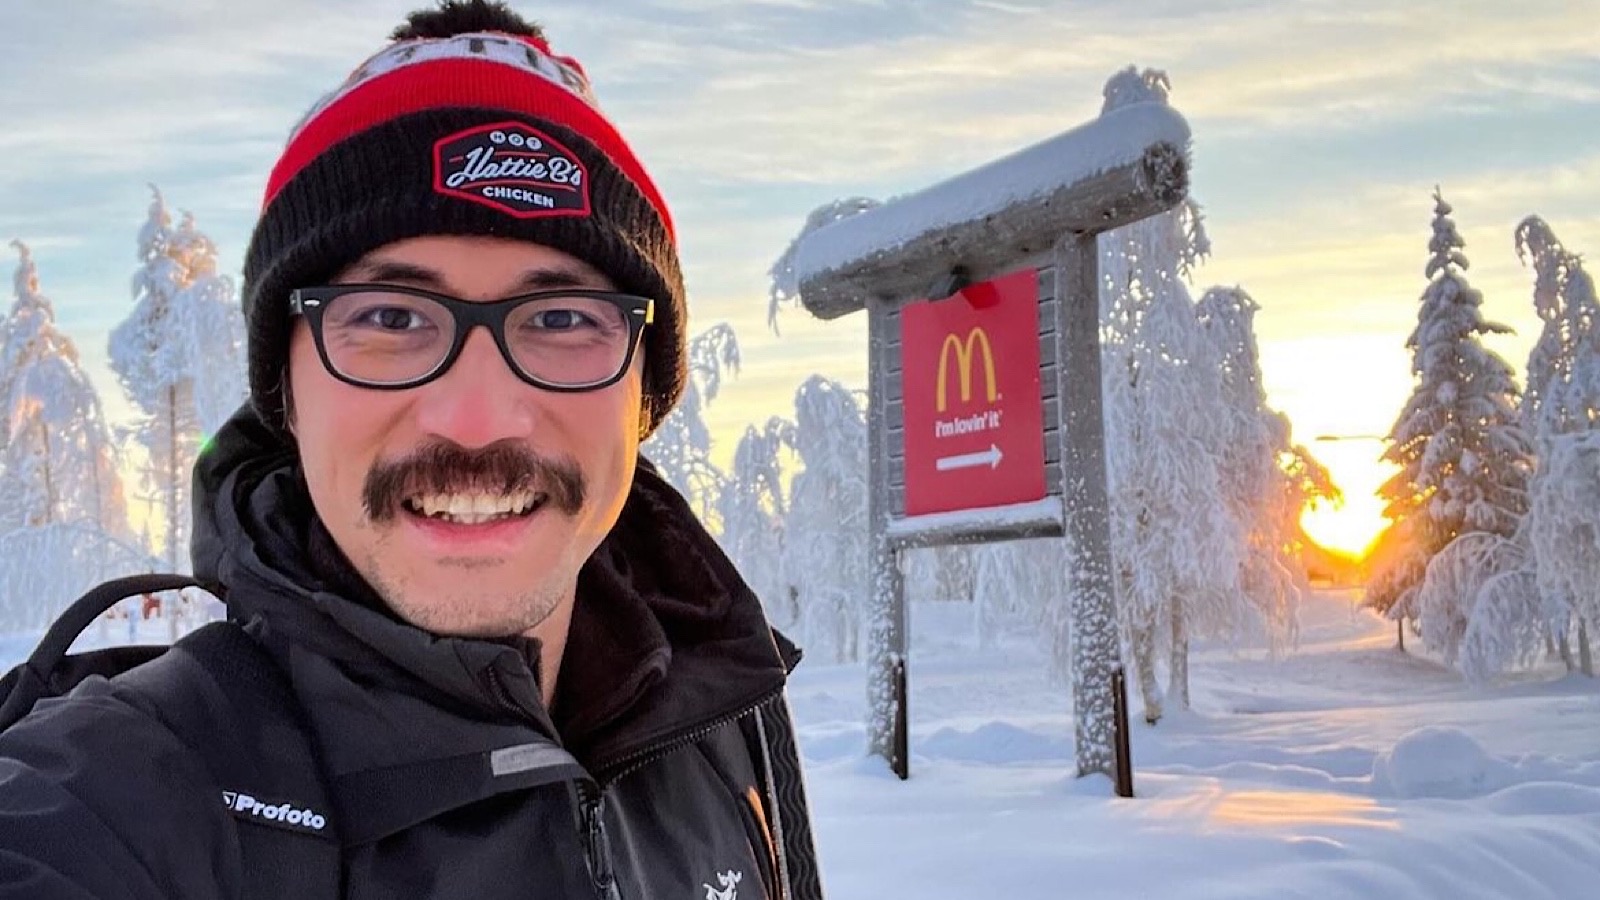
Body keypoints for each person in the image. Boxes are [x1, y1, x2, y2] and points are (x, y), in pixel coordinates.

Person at [0, 2, 822, 898]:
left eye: (559, 319)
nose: (476, 419)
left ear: (642, 394)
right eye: (390, 318)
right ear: (288, 391)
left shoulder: (715, 721)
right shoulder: (115, 803)